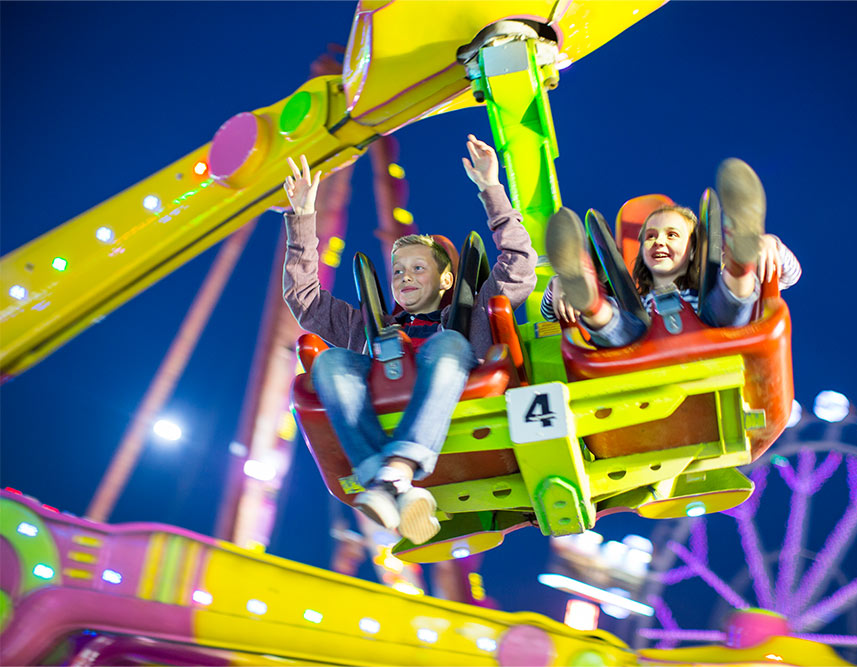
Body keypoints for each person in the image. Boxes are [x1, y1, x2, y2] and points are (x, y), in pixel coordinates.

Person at [282, 136, 537, 544]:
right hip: (386, 394)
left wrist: (492, 190)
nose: (405, 277)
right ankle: (387, 482)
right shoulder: (371, 327)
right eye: (398, 271)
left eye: (418, 268)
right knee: (328, 362)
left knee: (449, 345)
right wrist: (303, 218)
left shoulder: (472, 316)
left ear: (446, 279)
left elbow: (520, 267)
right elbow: (304, 299)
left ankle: (397, 467)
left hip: (464, 393)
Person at [541, 158, 800, 345]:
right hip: (642, 349)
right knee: (621, 322)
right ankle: (590, 300)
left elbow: (791, 275)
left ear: (692, 251)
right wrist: (559, 285)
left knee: (727, 301)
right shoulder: (632, 300)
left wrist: (769, 245)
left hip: (712, 337)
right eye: (650, 237)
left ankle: (741, 259)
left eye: (672, 235)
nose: (658, 242)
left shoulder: (708, 289)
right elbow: (549, 314)